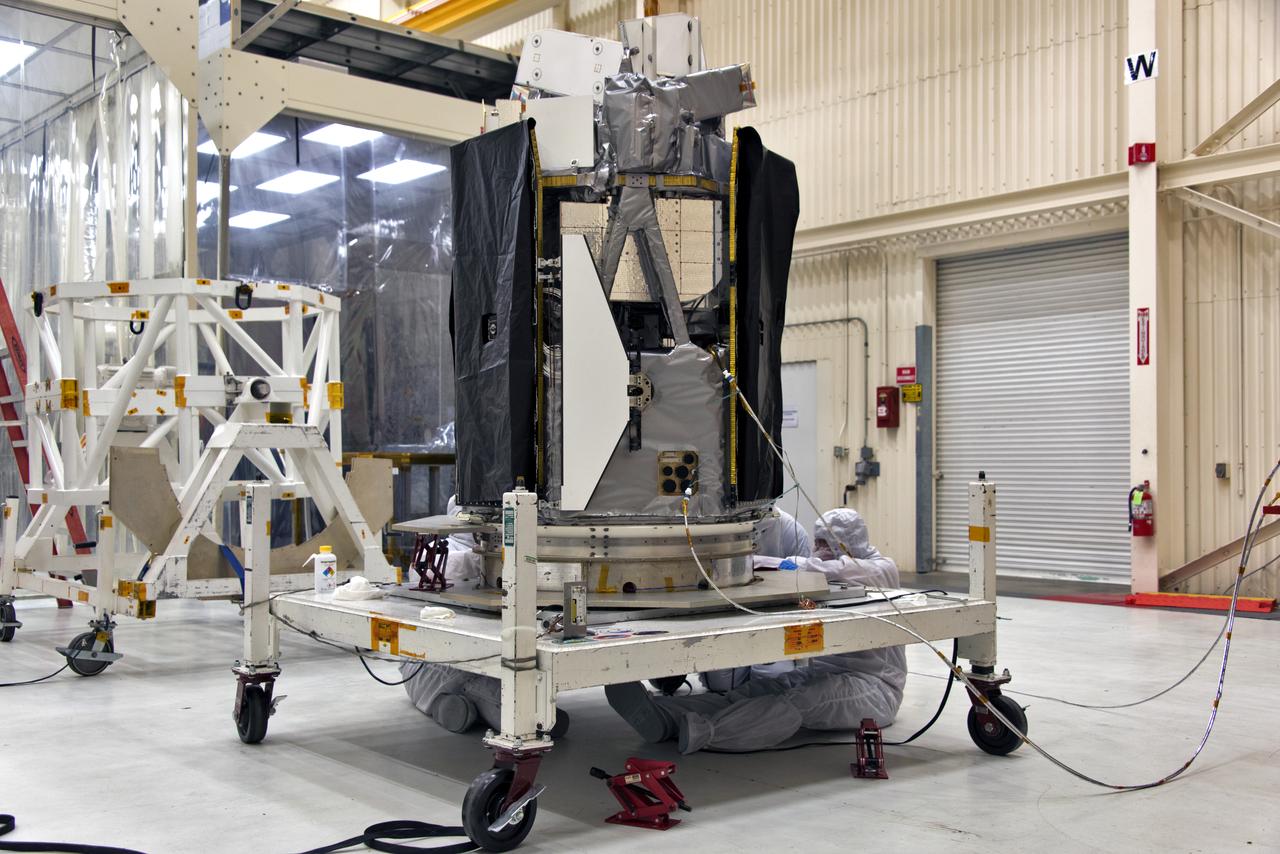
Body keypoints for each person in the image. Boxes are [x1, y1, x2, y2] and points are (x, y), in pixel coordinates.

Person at [606, 508, 906, 754]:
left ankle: (708, 733)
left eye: (827, 544)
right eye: (818, 543)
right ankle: (666, 716)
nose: (820, 550)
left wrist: (776, 563)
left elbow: (831, 570)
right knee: (752, 692)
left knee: (796, 703)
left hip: (874, 688)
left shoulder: (880, 568)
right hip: (823, 674)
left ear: (848, 542)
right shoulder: (839, 575)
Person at [401, 498, 568, 737]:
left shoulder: (460, 553)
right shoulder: (451, 558)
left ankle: (466, 710)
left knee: (492, 679)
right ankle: (530, 721)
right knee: (478, 684)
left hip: (466, 658)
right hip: (435, 662)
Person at [700, 507, 812, 691]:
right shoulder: (721, 525)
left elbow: (806, 586)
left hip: (777, 621)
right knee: (720, 683)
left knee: (773, 679)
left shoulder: (790, 531)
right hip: (730, 616)